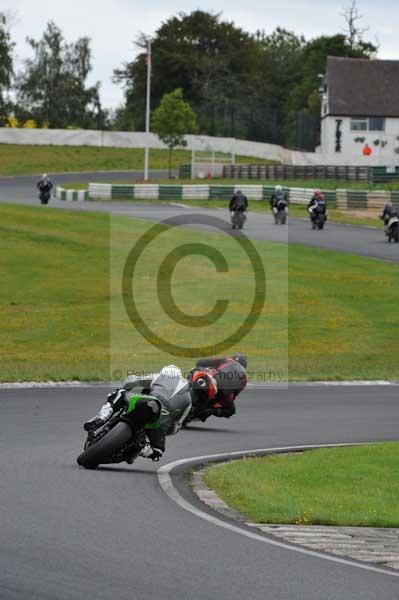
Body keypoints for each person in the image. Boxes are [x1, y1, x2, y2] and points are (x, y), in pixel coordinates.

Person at [83, 366, 192, 461]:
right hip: (160, 423)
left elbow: (130, 381)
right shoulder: (188, 399)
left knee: (120, 393)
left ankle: (102, 417)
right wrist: (164, 428)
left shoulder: (158, 376)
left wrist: (127, 389)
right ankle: (141, 449)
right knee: (157, 452)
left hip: (150, 401)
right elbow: (176, 426)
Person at [188, 353, 247, 422]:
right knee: (194, 371)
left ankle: (206, 411)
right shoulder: (244, 379)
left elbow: (201, 362)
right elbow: (235, 395)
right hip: (213, 382)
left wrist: (213, 410)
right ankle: (185, 388)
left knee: (230, 410)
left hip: (220, 388)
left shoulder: (226, 360)